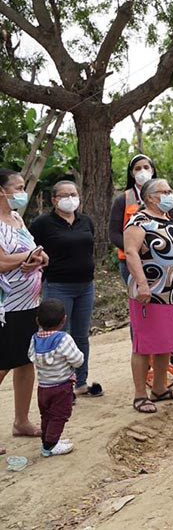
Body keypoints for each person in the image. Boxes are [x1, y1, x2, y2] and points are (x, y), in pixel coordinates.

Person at [109, 154, 173, 377]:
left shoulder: (166, 213)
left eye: (147, 167)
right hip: (142, 272)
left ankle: (170, 372)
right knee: (146, 331)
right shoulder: (126, 202)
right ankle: (144, 380)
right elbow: (116, 234)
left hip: (170, 285)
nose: (169, 195)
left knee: (167, 334)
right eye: (138, 168)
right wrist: (139, 249)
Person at [124, 178, 173, 413]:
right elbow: (131, 253)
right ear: (150, 197)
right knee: (144, 344)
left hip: (171, 293)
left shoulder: (168, 219)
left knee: (166, 342)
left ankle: (160, 388)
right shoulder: (138, 221)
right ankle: (140, 394)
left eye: (170, 190)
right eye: (164, 191)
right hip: (150, 292)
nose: (169, 194)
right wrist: (142, 284)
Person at [29, 180, 102, 397]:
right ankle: (59, 387)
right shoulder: (42, 224)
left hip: (85, 286)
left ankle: (80, 382)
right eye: (64, 195)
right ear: (54, 200)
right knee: (56, 336)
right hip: (58, 286)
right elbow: (30, 249)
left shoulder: (85, 221)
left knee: (81, 336)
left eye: (74, 194)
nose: (70, 198)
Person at [0, 168, 47, 453]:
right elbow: (2, 262)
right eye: (17, 187)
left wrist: (38, 258)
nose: (22, 192)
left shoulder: (17, 218)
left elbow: (35, 250)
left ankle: (21, 421)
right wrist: (27, 257)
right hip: (5, 307)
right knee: (3, 364)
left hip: (29, 303)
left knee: (26, 361)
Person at [28, 299, 84, 456]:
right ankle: (50, 446)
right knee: (60, 415)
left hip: (43, 387)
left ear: (37, 320)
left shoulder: (35, 338)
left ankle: (48, 439)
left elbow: (31, 356)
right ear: (64, 320)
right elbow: (78, 360)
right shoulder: (64, 339)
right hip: (62, 386)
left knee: (46, 415)